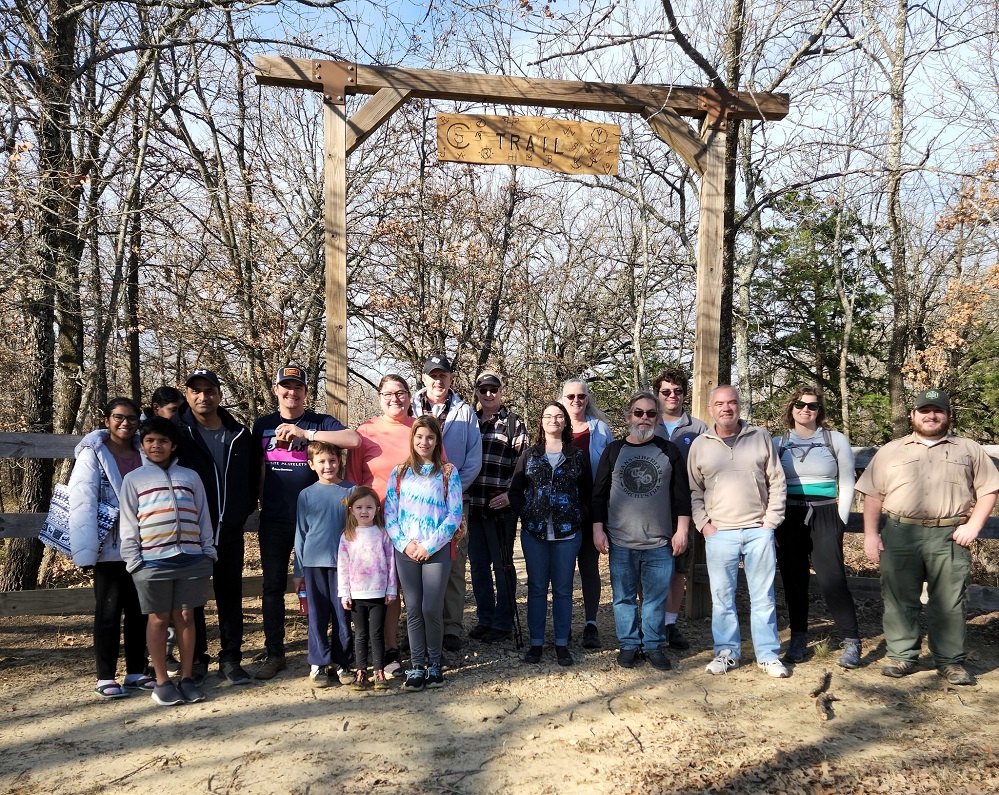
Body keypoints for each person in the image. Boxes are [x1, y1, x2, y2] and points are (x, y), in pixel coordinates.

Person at [856, 389, 999, 686]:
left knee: (949, 601)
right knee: (898, 598)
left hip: (950, 534)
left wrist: (973, 526)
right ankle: (902, 656)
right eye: (924, 410)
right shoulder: (891, 450)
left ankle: (950, 661)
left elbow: (988, 490)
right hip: (899, 532)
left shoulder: (968, 449)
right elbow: (872, 494)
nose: (931, 416)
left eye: (938, 410)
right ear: (913, 416)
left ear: (948, 415)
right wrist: (871, 535)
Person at [251, 365, 360, 680]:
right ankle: (275, 654)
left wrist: (306, 434)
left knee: (328, 592)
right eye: (285, 387)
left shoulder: (318, 421)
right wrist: (258, 503)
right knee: (272, 587)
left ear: (305, 392)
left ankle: (337, 655)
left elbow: (351, 438)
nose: (292, 393)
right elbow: (256, 469)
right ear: (276, 390)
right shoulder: (263, 426)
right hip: (274, 518)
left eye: (297, 387)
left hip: (316, 523)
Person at [687, 386, 789, 678]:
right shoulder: (700, 445)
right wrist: (704, 526)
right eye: (719, 404)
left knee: (763, 597)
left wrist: (771, 522)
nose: (726, 408)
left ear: (739, 406)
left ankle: (768, 655)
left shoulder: (760, 438)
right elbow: (694, 491)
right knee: (722, 597)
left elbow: (777, 482)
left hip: (758, 530)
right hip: (720, 533)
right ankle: (726, 653)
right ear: (710, 410)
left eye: (732, 402)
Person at [119, 417, 217, 706]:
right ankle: (162, 681)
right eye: (150, 441)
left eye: (162, 441)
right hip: (152, 563)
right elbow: (128, 523)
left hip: (191, 558)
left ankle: (186, 678)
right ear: (143, 445)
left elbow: (203, 516)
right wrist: (134, 561)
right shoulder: (134, 479)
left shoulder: (190, 477)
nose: (156, 446)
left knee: (186, 616)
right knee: (158, 619)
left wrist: (208, 551)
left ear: (173, 445)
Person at [592, 392, 692, 672]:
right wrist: (597, 529)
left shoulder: (669, 450)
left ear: (657, 418)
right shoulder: (613, 450)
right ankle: (628, 644)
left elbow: (681, 495)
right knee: (623, 597)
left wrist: (682, 529)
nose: (644, 418)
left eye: (650, 414)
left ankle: (653, 645)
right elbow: (598, 494)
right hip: (621, 540)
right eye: (638, 413)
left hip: (659, 541)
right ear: (628, 417)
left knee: (654, 598)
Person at [174, 368, 257, 685]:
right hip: (191, 532)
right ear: (187, 394)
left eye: (209, 391)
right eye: (196, 391)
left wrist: (240, 510)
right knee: (191, 599)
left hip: (229, 530)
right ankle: (195, 661)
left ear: (219, 396)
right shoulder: (178, 433)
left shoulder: (239, 434)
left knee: (230, 595)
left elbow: (251, 477)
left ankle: (231, 658)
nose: (203, 396)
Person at [773, 385, 861, 669]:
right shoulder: (778, 442)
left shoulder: (834, 439)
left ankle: (851, 640)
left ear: (820, 411)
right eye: (799, 405)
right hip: (789, 516)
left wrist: (841, 520)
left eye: (812, 406)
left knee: (832, 578)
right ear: (791, 408)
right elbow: (769, 483)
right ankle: (798, 636)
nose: (805, 410)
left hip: (825, 514)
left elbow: (847, 480)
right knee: (793, 578)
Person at [69, 397, 150, 698]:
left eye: (131, 418)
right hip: (109, 546)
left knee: (139, 610)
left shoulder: (145, 450)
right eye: (119, 417)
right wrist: (85, 550)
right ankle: (105, 675)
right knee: (109, 610)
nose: (125, 423)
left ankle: (136, 671)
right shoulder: (93, 454)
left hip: (143, 544)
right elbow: (82, 502)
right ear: (107, 420)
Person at [509, 402, 591, 666]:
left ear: (566, 422)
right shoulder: (530, 455)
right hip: (535, 534)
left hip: (568, 535)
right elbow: (515, 489)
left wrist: (579, 515)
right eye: (548, 416)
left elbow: (588, 493)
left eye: (558, 416)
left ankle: (561, 644)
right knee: (536, 588)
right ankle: (536, 644)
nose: (553, 420)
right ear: (541, 422)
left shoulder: (576, 456)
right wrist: (527, 513)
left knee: (564, 590)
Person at [384, 417, 463, 691]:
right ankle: (417, 665)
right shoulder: (399, 472)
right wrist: (406, 545)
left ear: (437, 440)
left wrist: (429, 546)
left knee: (432, 607)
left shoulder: (448, 473)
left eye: (429, 437)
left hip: (436, 549)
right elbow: (390, 514)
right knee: (414, 608)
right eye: (419, 437)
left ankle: (434, 663)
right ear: (412, 439)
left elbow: (454, 515)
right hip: (405, 549)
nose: (424, 442)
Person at [411, 354, 482, 653]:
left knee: (453, 563)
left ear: (451, 378)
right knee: (415, 562)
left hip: (454, 502)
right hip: (414, 504)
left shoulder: (465, 413)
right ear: (424, 378)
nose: (438, 380)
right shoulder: (409, 408)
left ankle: (451, 626)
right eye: (433, 375)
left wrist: (448, 490)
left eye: (444, 375)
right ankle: (416, 628)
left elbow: (473, 459)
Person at [345, 373, 414, 676]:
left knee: (395, 586)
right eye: (387, 393)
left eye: (400, 393)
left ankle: (392, 646)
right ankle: (369, 652)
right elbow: (352, 481)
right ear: (379, 398)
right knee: (371, 587)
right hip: (372, 523)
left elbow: (441, 473)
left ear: (409, 396)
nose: (394, 399)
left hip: (411, 522)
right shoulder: (366, 432)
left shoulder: (420, 429)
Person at [467, 371, 528, 644]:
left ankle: (503, 621)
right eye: (483, 389)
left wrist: (509, 494)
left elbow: (524, 466)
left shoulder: (514, 423)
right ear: (477, 391)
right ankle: (485, 618)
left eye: (494, 389)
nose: (488, 394)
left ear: (501, 391)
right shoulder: (468, 421)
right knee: (478, 566)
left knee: (502, 566)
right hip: (473, 505)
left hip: (500, 506)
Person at [652, 367, 707, 651]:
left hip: (684, 509)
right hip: (648, 511)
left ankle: (670, 623)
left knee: (677, 570)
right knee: (647, 569)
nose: (672, 396)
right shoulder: (647, 422)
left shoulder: (699, 429)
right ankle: (650, 622)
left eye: (677, 391)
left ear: (685, 394)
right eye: (665, 391)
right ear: (657, 394)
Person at [294, 441, 356, 689]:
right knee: (317, 615)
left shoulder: (352, 491)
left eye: (332, 460)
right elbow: (301, 533)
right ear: (311, 465)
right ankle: (318, 662)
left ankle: (343, 662)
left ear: (339, 461)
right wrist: (298, 570)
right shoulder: (306, 495)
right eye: (321, 461)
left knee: (342, 614)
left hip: (344, 565)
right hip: (313, 564)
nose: (328, 465)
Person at [560, 377, 613, 649]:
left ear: (587, 399)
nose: (576, 401)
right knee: (564, 570)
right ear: (563, 399)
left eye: (581, 396)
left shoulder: (600, 430)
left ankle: (591, 623)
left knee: (589, 568)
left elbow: (611, 470)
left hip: (591, 509)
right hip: (561, 513)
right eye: (571, 397)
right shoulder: (555, 428)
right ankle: (563, 624)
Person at [338, 486, 397, 692]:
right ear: (351, 510)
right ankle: (361, 671)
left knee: (376, 633)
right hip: (357, 594)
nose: (364, 511)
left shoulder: (383, 534)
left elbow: (391, 562)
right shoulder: (347, 536)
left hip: (379, 592)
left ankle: (379, 671)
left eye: (369, 507)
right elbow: (343, 566)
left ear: (377, 510)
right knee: (361, 633)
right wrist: (344, 592)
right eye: (359, 507)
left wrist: (391, 588)